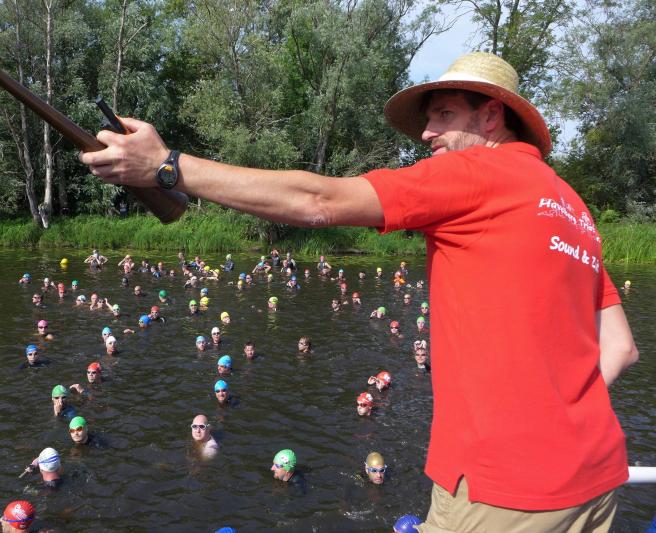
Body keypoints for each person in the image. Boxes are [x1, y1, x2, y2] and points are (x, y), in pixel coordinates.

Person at [80, 51, 638, 528]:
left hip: (509, 486)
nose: (427, 133)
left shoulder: (478, 173)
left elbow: (318, 202)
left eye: (444, 115)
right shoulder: (571, 206)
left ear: (492, 116)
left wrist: (166, 166)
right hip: (595, 475)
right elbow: (620, 347)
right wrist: (554, 413)